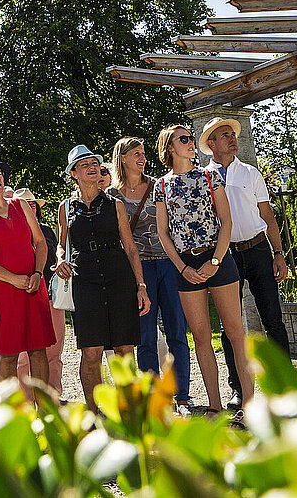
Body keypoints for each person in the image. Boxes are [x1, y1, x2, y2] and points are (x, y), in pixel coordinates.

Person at [152, 124, 253, 414]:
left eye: (190, 138)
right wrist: (182, 268)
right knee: (200, 338)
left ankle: (249, 405)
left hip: (218, 259)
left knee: (235, 332)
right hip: (186, 266)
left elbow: (226, 222)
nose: (190, 142)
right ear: (169, 148)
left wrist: (215, 262)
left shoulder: (210, 176)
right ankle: (215, 406)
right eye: (183, 139)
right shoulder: (161, 186)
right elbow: (163, 233)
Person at [199, 118, 291, 410]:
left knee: (272, 319)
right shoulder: (202, 179)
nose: (231, 138)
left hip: (258, 250)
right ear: (211, 144)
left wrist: (279, 253)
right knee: (230, 326)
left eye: (232, 135)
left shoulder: (251, 173)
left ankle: (285, 386)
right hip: (225, 256)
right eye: (224, 135)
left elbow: (268, 216)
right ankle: (238, 388)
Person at [54, 145, 150, 407]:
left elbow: (130, 247)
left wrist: (141, 286)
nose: (92, 167)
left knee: (123, 349)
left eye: (94, 163)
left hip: (118, 276)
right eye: (84, 165)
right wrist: (60, 258)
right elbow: (62, 243)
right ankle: (94, 414)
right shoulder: (65, 207)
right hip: (85, 279)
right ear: (74, 173)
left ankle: (128, 412)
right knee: (91, 351)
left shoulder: (115, 205)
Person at [109, 136, 193, 416]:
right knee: (145, 336)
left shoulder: (158, 186)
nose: (142, 158)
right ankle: (152, 396)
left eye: (143, 153)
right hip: (138, 269)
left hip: (168, 263)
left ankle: (182, 395)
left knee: (177, 330)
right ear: (122, 158)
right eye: (135, 153)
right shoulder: (112, 195)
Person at [0, 159, 55, 387]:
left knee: (38, 351)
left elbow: (40, 242)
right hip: (4, 291)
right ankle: (11, 414)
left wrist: (37, 273)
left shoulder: (21, 205)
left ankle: (44, 413)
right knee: (8, 354)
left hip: (34, 286)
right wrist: (13, 279)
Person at [12, 188, 65, 399]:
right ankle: (26, 401)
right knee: (24, 356)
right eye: (26, 204)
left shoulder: (46, 231)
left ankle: (54, 398)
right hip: (23, 295)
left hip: (51, 296)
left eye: (33, 204)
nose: (31, 207)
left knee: (55, 352)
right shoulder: (12, 231)